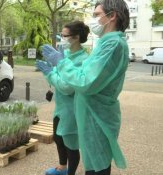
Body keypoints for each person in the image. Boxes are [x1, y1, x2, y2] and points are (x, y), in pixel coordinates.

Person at [39, 0, 130, 174]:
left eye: (97, 15)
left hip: (97, 117)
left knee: (97, 167)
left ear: (112, 16)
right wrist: (58, 66)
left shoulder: (113, 44)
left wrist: (58, 66)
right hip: (91, 114)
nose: (93, 19)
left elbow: (84, 82)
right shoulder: (105, 43)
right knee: (94, 163)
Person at [37, 21, 90, 175]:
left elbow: (66, 88)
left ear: (76, 37)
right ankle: (62, 167)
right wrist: (51, 73)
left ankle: (70, 173)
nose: (61, 38)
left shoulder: (83, 60)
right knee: (58, 138)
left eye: (64, 35)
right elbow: (57, 82)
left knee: (71, 143)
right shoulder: (64, 54)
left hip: (72, 109)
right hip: (60, 107)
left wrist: (51, 73)